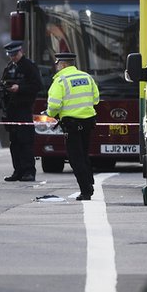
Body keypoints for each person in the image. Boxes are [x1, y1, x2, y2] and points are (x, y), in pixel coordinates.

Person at [46, 51, 99, 200]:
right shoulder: (86, 77)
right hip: (88, 122)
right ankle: (89, 181)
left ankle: (86, 190)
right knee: (84, 154)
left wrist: (50, 112)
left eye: (57, 63)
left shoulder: (60, 81)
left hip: (72, 124)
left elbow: (54, 105)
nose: (56, 66)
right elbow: (96, 99)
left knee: (75, 158)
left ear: (63, 64)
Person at [0, 41, 42, 182]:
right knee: (14, 142)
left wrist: (19, 88)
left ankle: (29, 171)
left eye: (15, 54)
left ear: (21, 51)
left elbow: (37, 85)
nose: (13, 57)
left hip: (23, 108)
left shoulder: (29, 66)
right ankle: (18, 171)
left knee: (25, 141)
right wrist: (1, 89)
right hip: (11, 109)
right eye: (11, 55)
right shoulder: (9, 67)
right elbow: (4, 82)